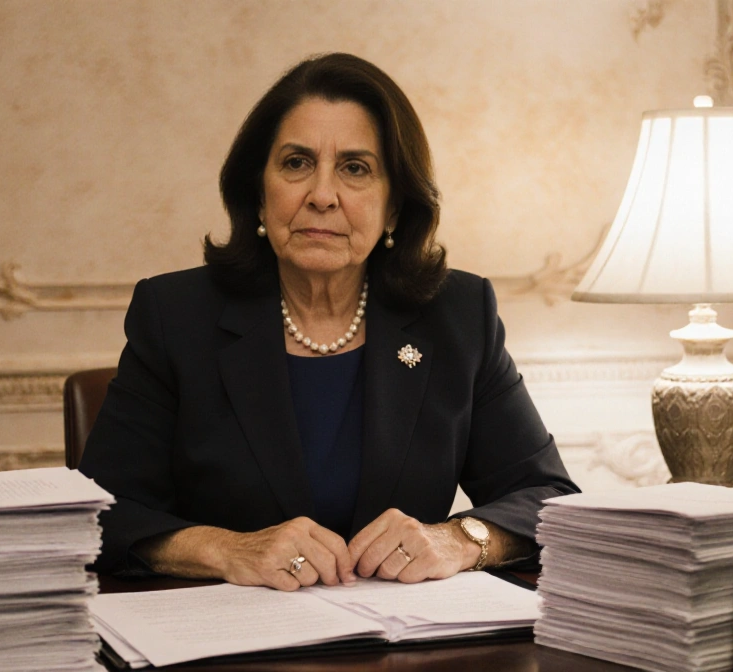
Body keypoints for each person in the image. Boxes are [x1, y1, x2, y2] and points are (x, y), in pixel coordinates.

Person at [79, 52, 578, 592]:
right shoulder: (174, 315)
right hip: (228, 640)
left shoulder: (457, 315)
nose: (321, 195)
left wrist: (459, 540)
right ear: (258, 192)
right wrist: (226, 550)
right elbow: (100, 512)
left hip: (405, 641)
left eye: (355, 169)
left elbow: (547, 496)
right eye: (296, 163)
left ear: (393, 207)